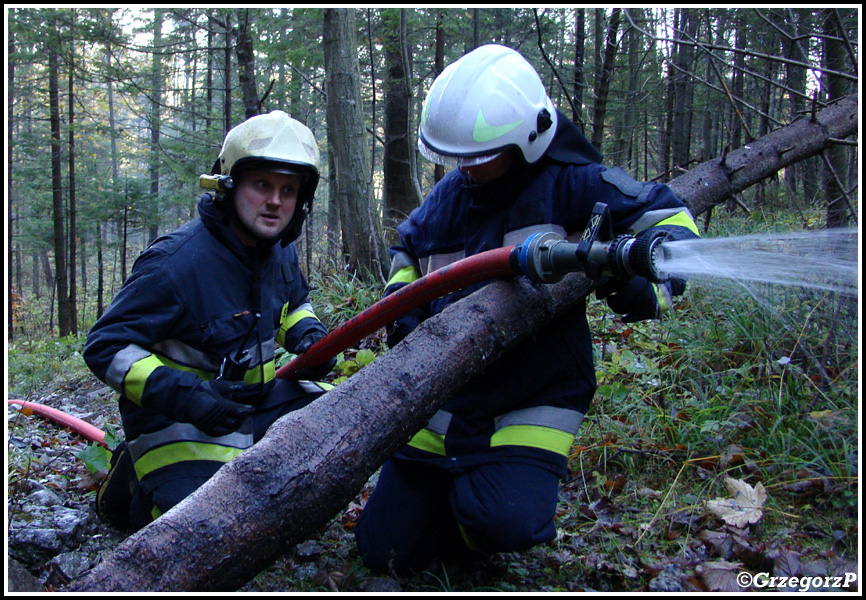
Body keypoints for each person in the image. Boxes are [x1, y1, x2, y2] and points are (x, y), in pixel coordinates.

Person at [354, 44, 700, 574]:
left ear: (528, 138)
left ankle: (474, 511)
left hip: (532, 397)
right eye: (459, 158)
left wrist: (646, 283)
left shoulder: (573, 181)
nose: (467, 169)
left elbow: (671, 218)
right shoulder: (450, 195)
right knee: (384, 550)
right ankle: (438, 506)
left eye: (480, 156)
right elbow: (407, 249)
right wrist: (401, 304)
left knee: (502, 521)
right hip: (444, 398)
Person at [83, 110, 335, 531]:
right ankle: (133, 482)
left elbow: (294, 306)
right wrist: (189, 396)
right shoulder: (176, 264)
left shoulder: (279, 250)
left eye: (288, 190)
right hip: (179, 421)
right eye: (262, 185)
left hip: (250, 405)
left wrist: (308, 335)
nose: (275, 201)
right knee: (204, 529)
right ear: (227, 184)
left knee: (340, 411)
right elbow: (105, 346)